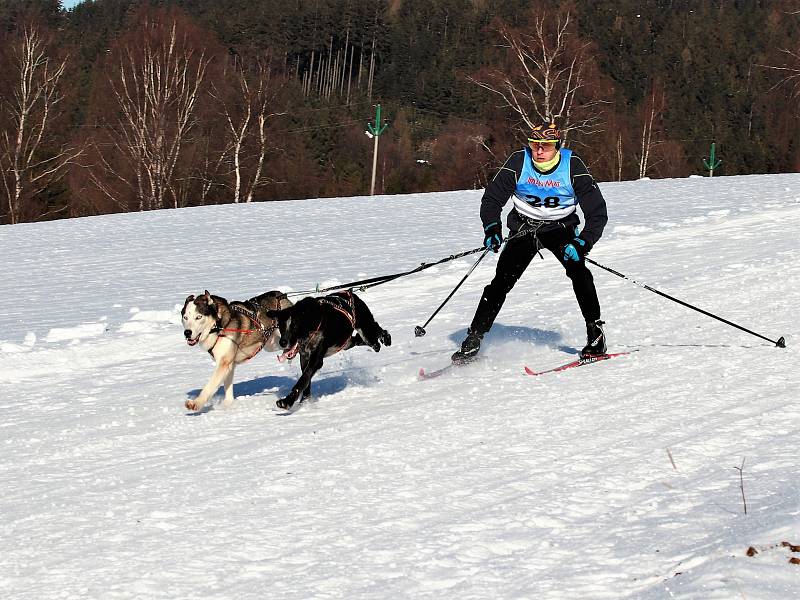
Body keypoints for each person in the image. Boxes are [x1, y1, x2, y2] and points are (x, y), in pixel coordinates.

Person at [451, 122, 608, 364]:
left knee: (579, 272)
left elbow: (597, 213)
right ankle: (474, 339)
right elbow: (492, 199)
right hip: (524, 227)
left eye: (545, 146)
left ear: (556, 147)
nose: (538, 151)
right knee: (500, 282)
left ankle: (595, 334)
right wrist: (492, 227)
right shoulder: (519, 162)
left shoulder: (571, 165)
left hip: (560, 228)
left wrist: (582, 243)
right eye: (534, 145)